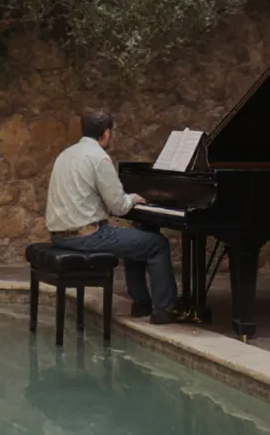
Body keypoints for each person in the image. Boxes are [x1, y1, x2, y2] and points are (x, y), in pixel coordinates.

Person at [45, 109, 179, 324]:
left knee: (135, 240)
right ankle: (164, 309)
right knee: (158, 244)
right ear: (106, 133)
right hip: (87, 236)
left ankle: (141, 303)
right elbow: (118, 206)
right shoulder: (98, 158)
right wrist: (132, 198)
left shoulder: (66, 154)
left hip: (59, 236)